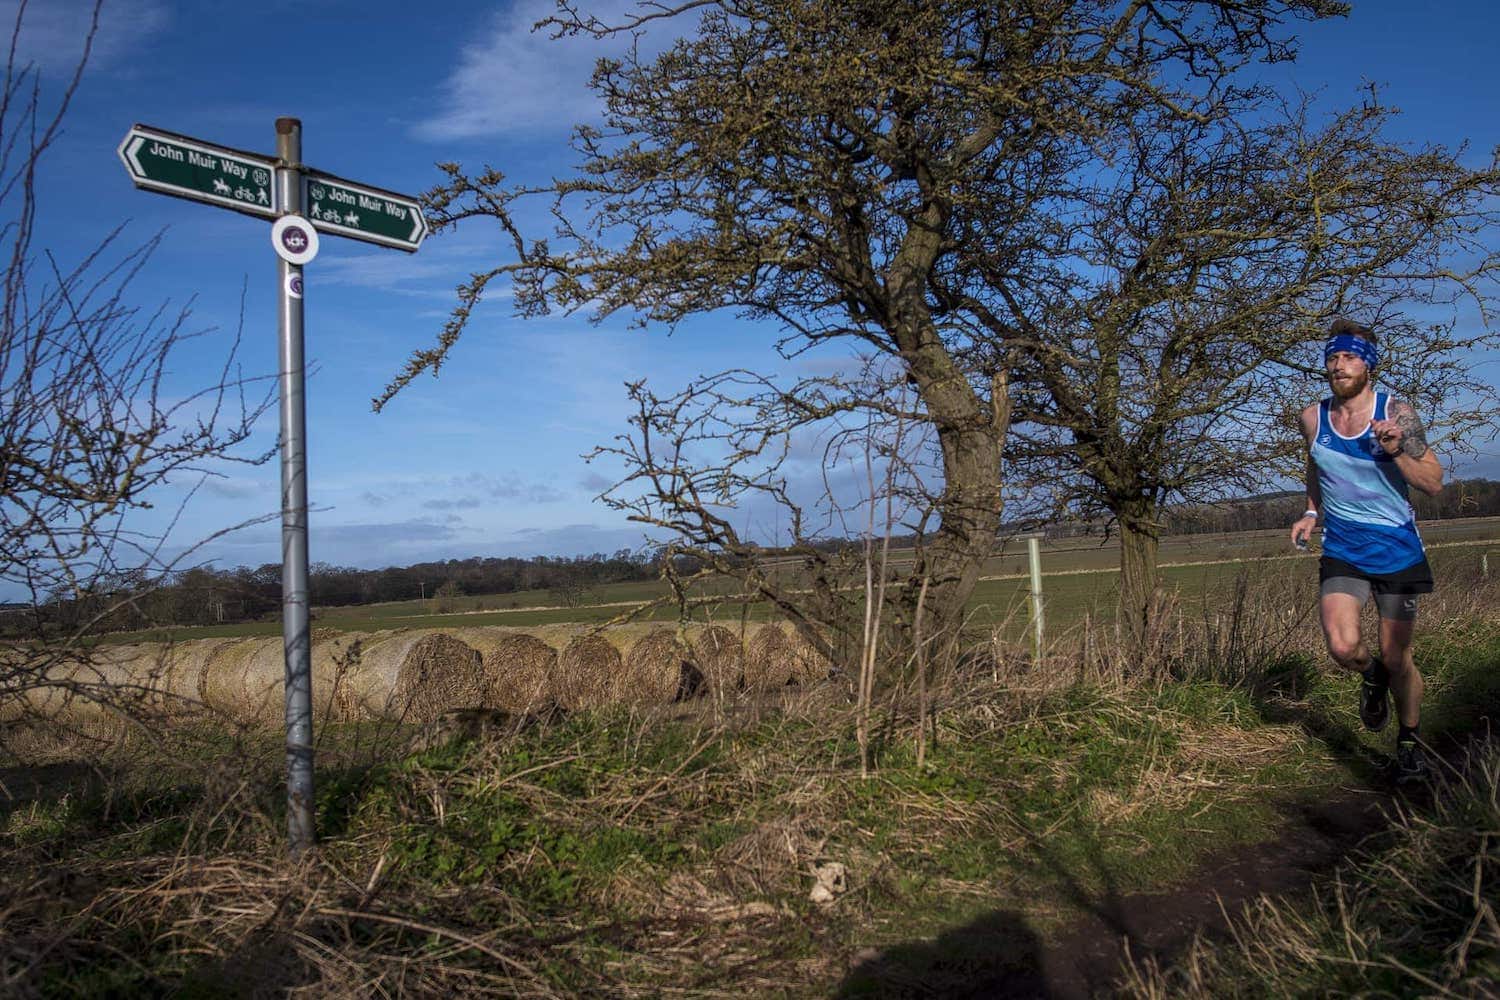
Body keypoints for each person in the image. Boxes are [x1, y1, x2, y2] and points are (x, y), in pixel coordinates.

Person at [1290, 318, 1445, 785]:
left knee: (1399, 658)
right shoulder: (1312, 418)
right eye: (1333, 357)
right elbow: (1316, 467)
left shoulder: (1397, 413)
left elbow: (1434, 483)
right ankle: (1370, 676)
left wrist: (1397, 450)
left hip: (1398, 552)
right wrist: (1312, 513)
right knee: (1342, 646)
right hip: (1343, 550)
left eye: (1349, 357)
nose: (1339, 365)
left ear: (1369, 366)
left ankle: (1409, 744)